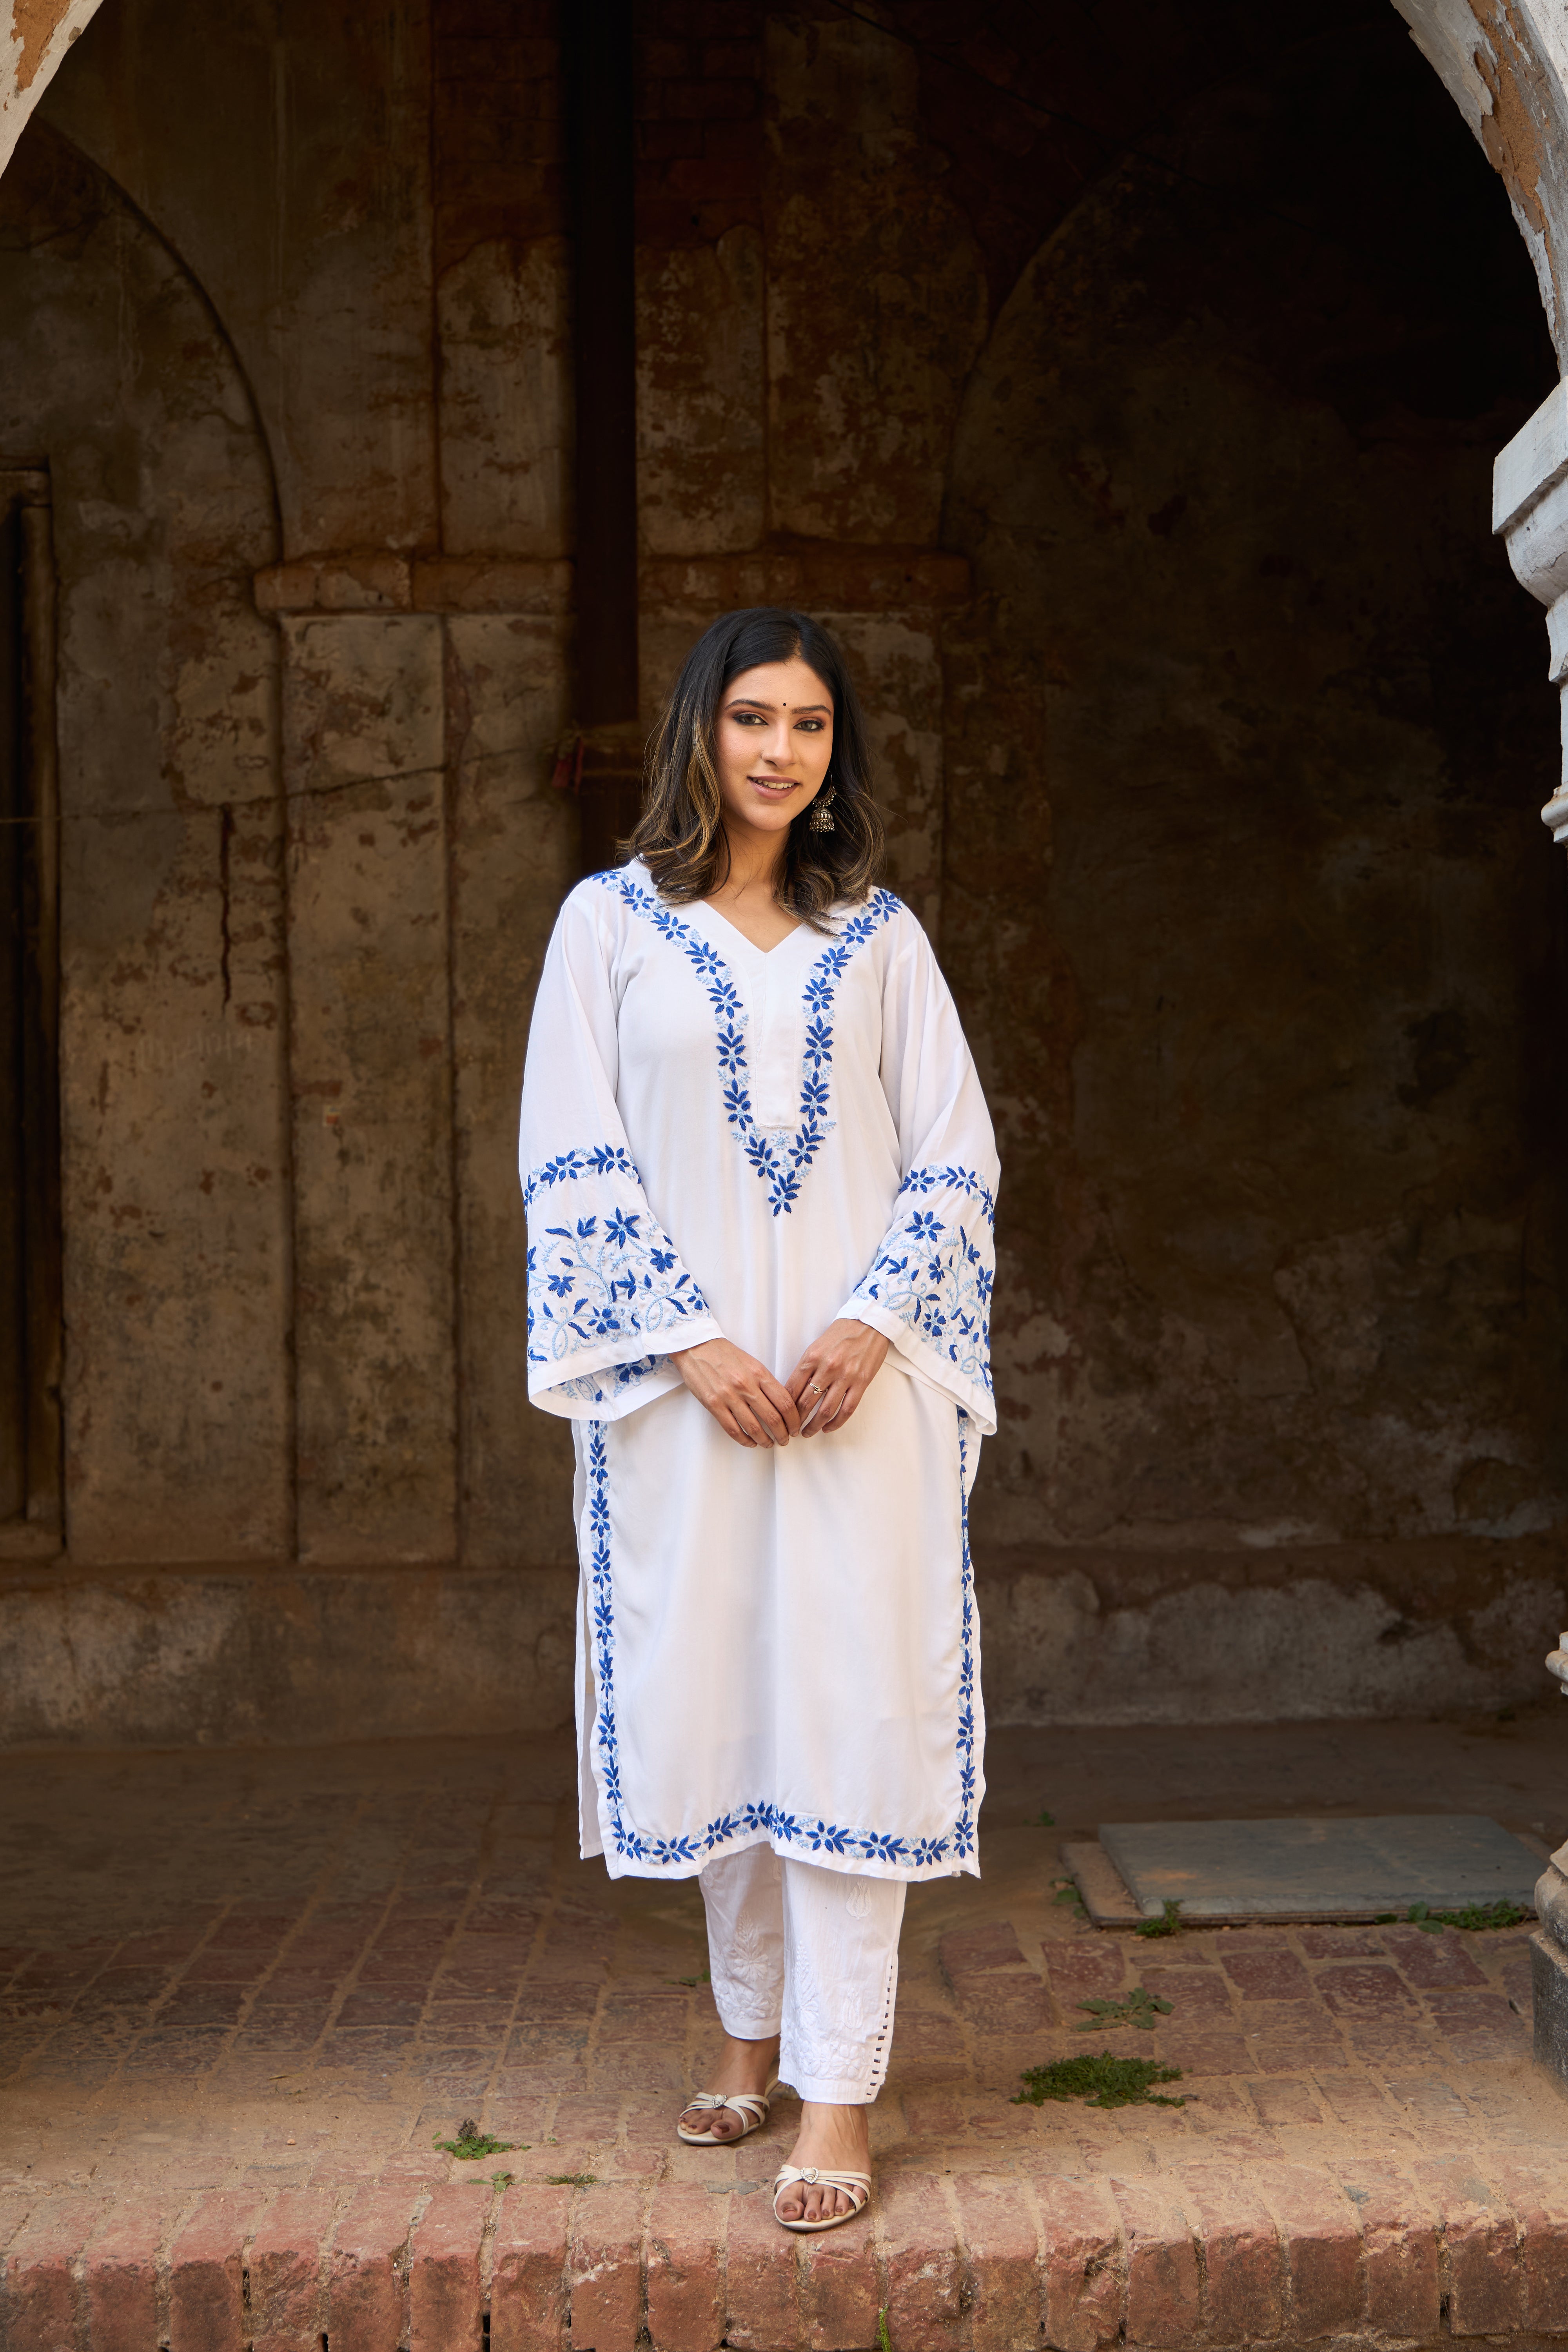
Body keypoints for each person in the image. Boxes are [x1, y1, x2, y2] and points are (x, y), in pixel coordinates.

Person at [517, 608, 998, 2234]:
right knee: (725, 1701)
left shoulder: (882, 939)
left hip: (860, 1401)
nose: (780, 750)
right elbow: (567, 1152)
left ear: (833, 749)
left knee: (851, 1705)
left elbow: (953, 1158)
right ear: (698, 736)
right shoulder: (609, 929)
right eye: (750, 719)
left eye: (808, 724)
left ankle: (839, 2093)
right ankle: (743, 2033)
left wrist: (870, 1325)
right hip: (686, 1399)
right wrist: (685, 1341)